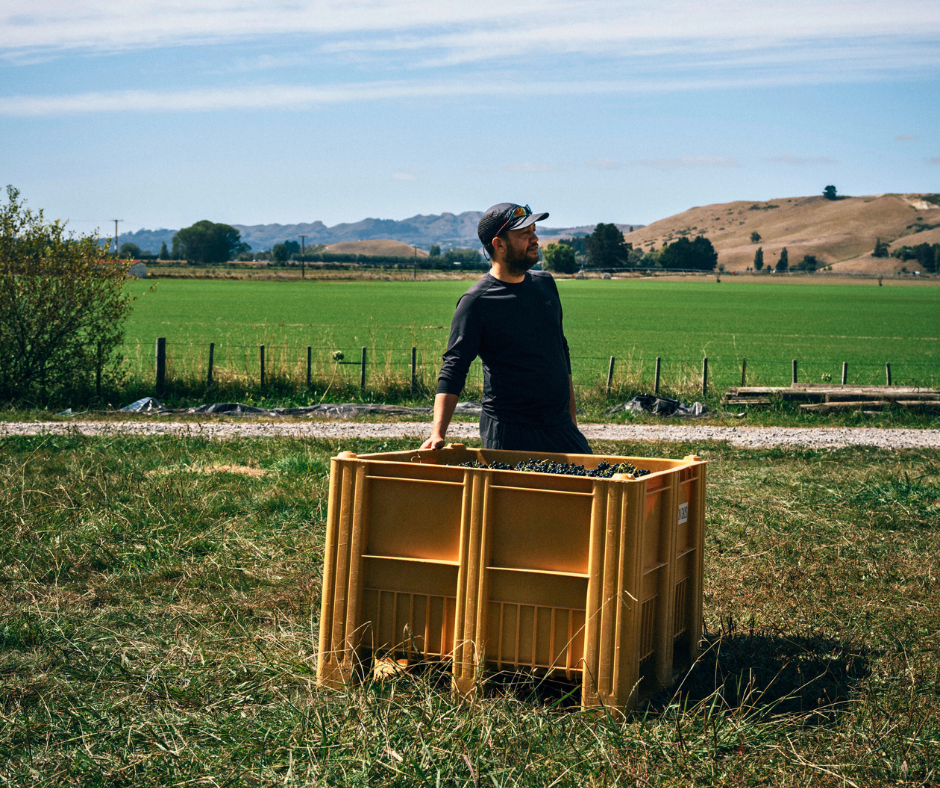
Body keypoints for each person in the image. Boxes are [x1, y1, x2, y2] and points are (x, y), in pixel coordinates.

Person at [420, 202, 592, 455]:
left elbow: (560, 351)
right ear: (499, 245)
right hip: (510, 431)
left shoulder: (546, 284)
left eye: (534, 231)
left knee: (588, 489)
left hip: (559, 427)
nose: (535, 239)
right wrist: (437, 433)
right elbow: (454, 367)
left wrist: (571, 418)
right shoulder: (476, 302)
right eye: (524, 234)